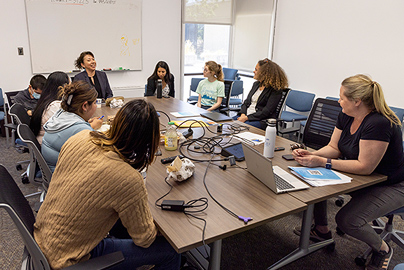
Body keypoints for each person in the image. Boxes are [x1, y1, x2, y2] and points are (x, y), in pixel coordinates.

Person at [34, 99, 181, 270]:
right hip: (70, 259)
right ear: (149, 141)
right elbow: (145, 239)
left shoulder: (81, 137)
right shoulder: (127, 178)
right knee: (171, 251)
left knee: (121, 218)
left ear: (116, 123)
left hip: (43, 238)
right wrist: (162, 228)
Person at [292, 74, 404, 270]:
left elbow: (364, 167)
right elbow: (334, 147)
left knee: (347, 220)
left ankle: (382, 249)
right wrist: (311, 155)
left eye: (342, 97)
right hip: (366, 178)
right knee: (313, 182)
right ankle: (321, 230)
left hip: (392, 184)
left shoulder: (378, 123)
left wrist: (322, 162)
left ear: (357, 101)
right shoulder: (346, 114)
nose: (339, 101)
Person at [41, 80, 103, 172]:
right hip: (65, 178)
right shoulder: (81, 130)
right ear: (85, 106)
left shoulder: (60, 114)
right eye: (94, 103)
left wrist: (85, 122)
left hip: (55, 170)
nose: (96, 106)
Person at [234, 58, 288, 129]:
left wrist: (246, 118)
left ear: (264, 73)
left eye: (256, 70)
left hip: (260, 120)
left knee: (240, 128)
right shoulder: (256, 84)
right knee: (227, 123)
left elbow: (266, 112)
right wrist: (243, 115)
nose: (254, 71)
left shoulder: (275, 90)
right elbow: (246, 102)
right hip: (245, 116)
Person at [30, 71, 70, 144]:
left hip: (47, 140)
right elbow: (65, 129)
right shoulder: (55, 105)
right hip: (49, 144)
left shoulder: (46, 99)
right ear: (63, 86)